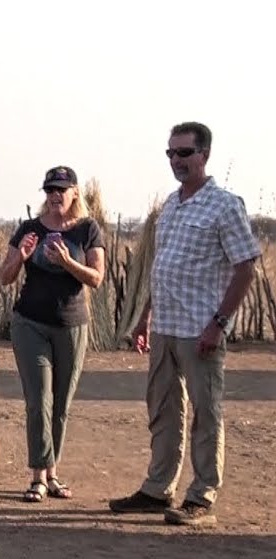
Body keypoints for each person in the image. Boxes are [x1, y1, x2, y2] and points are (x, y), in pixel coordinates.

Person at [109, 122, 260, 527]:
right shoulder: (171, 206)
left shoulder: (225, 206)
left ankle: (202, 496)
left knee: (205, 413)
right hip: (166, 327)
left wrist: (219, 324)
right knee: (163, 409)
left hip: (200, 329)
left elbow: (246, 268)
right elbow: (163, 268)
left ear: (204, 155)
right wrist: (145, 317)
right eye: (171, 153)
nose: (176, 160)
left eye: (184, 153)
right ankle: (158, 488)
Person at [0, 166, 106, 502]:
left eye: (61, 189)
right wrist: (21, 256)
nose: (55, 195)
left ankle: (53, 473)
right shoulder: (29, 229)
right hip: (30, 323)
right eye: (49, 190)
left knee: (60, 404)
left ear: (75, 193)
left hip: (72, 326)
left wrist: (67, 262)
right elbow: (5, 277)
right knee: (39, 400)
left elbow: (96, 278)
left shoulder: (87, 229)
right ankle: (38, 476)